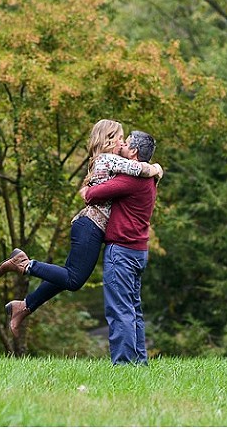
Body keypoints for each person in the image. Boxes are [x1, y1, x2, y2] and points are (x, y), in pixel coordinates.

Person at [0, 120, 163, 339]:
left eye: (125, 140)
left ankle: (25, 306)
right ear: (110, 140)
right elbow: (139, 168)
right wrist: (156, 169)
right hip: (90, 226)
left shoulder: (106, 160)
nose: (122, 143)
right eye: (120, 138)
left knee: (67, 275)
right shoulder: (109, 159)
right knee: (74, 279)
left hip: (89, 227)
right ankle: (25, 265)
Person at [81, 130, 158, 365]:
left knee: (119, 310)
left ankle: (124, 364)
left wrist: (85, 190)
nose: (121, 145)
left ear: (133, 152)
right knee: (133, 310)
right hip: (137, 250)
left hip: (122, 251)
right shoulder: (148, 177)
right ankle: (139, 361)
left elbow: (92, 194)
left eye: (126, 143)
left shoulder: (131, 179)